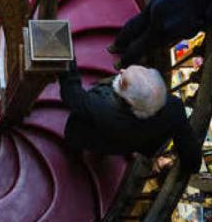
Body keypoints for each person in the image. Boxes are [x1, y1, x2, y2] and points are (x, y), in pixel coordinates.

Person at [58, 62, 201, 174]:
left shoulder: (99, 105)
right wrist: (192, 167)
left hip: (89, 136)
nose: (121, 71)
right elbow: (187, 140)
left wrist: (66, 56)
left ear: (129, 100)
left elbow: (71, 93)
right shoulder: (174, 107)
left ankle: (74, 154)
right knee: (103, 146)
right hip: (122, 144)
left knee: (77, 140)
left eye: (123, 81)